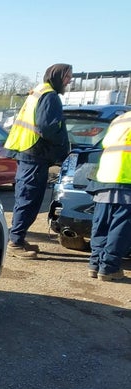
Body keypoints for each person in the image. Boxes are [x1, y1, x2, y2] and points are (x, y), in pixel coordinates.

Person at [3, 63, 73, 258]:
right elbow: (47, 127)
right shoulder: (49, 96)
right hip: (34, 154)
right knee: (29, 199)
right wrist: (62, 146)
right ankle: (15, 242)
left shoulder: (40, 92)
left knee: (27, 198)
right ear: (57, 76)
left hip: (29, 152)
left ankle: (18, 237)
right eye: (68, 77)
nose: (69, 81)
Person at [87, 110, 131, 281]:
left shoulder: (120, 119)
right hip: (126, 179)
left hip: (105, 176)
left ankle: (95, 264)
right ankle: (109, 268)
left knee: (102, 224)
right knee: (120, 227)